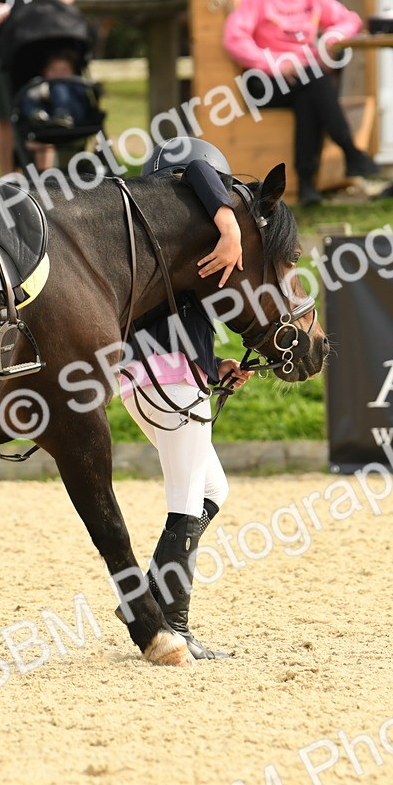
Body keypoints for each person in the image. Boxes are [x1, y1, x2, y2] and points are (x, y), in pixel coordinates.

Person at [119, 138, 253, 660]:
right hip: (170, 381)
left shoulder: (157, 244)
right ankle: (170, 624)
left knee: (213, 488)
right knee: (187, 500)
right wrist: (230, 225)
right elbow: (196, 166)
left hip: (154, 377)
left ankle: (147, 603)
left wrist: (212, 365)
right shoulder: (185, 237)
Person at [222, 0, 379, 206]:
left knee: (308, 97)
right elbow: (234, 39)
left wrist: (331, 38)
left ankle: (306, 185)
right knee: (315, 79)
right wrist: (275, 63)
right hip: (264, 82)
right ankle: (350, 152)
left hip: (303, 80)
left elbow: (350, 20)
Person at [0, 0, 78, 175]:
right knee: (3, 117)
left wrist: (56, 10)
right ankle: (8, 183)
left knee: (43, 111)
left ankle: (47, 180)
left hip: (37, 35)